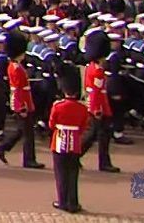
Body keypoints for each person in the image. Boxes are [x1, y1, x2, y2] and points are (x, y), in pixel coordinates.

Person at [0, 31, 43, 169]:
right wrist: (22, 106)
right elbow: (18, 89)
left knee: (22, 131)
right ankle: (29, 159)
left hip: (23, 101)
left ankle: (3, 148)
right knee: (28, 134)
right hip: (22, 102)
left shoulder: (16, 66)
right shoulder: (15, 68)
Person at [48, 65, 90, 213]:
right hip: (75, 143)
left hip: (59, 141)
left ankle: (62, 201)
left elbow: (51, 124)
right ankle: (73, 202)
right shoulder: (82, 108)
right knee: (73, 173)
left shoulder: (57, 106)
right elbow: (84, 126)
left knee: (60, 173)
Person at [80, 30, 117, 173]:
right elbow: (95, 92)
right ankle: (101, 162)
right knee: (96, 135)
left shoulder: (92, 67)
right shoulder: (97, 71)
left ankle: (103, 161)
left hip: (99, 105)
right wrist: (97, 109)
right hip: (99, 107)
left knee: (100, 135)